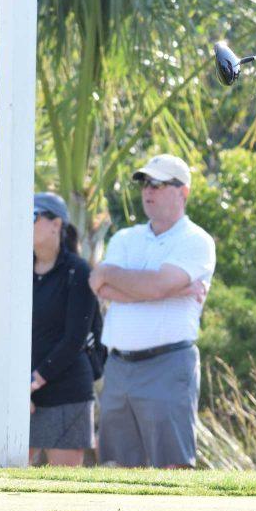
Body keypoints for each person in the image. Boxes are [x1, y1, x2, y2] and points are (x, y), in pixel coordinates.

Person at [88, 154, 215, 468]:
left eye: (159, 183)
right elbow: (99, 286)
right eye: (145, 183)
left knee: (172, 468)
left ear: (183, 191)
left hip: (168, 364)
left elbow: (153, 285)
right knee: (116, 467)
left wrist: (124, 280)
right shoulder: (124, 237)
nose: (149, 191)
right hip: (118, 366)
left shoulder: (196, 240)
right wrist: (167, 289)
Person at [29, 192, 97, 466]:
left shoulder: (78, 270)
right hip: (25, 393)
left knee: (63, 488)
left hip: (67, 393)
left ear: (56, 224)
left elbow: (75, 339)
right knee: (5, 478)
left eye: (32, 216)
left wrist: (33, 381)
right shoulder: (16, 269)